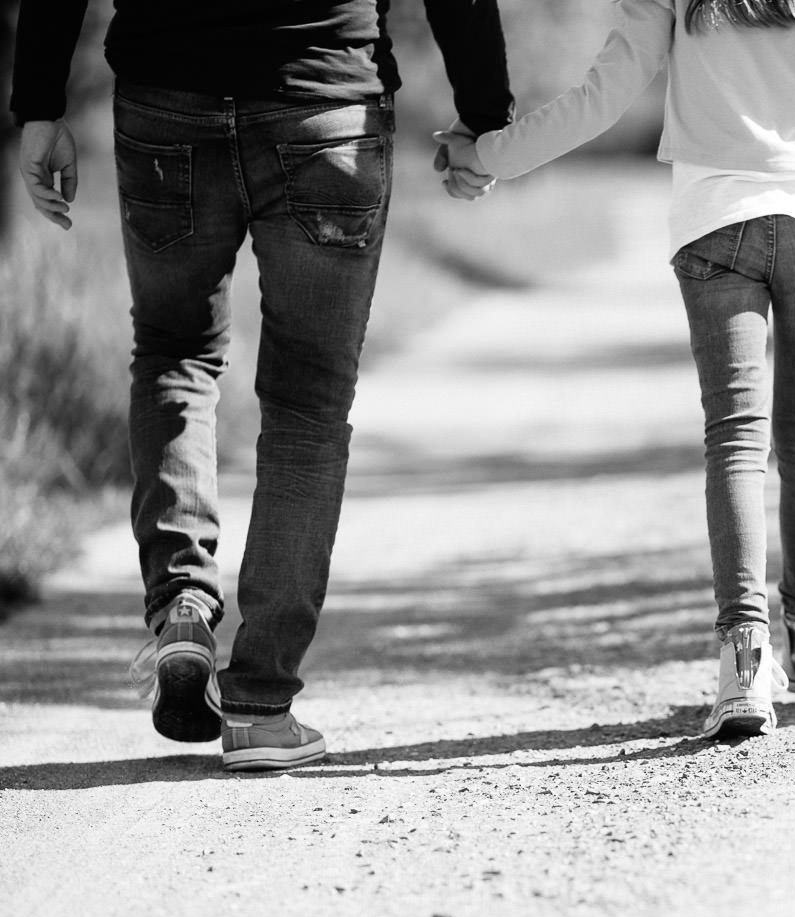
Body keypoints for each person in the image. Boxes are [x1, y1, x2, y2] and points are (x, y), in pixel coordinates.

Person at [10, 0, 514, 769]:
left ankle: (182, 602)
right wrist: (485, 112)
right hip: (327, 104)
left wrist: (39, 104)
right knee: (308, 404)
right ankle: (259, 705)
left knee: (175, 354)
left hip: (165, 98)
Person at [435, 0, 795, 738]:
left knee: (735, 439)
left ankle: (744, 659)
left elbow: (602, 97)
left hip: (717, 221)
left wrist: (488, 155)